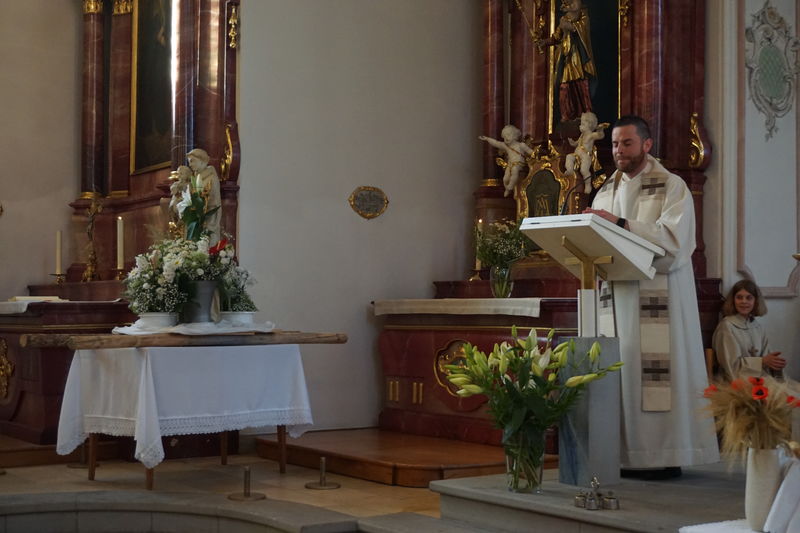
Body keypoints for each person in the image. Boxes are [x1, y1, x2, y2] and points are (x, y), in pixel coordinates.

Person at [583, 115, 720, 475]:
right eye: (615, 144)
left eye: (627, 143)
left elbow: (675, 244)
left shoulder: (671, 186)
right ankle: (622, 455)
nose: (619, 150)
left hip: (658, 299)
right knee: (621, 372)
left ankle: (662, 456)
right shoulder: (605, 192)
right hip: (616, 299)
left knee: (656, 378)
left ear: (646, 144)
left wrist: (621, 224)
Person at [712, 279, 786, 381]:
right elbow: (731, 366)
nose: (744, 301)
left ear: (756, 301)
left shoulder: (757, 327)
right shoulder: (727, 326)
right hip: (735, 383)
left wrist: (776, 364)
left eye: (749, 298)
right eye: (739, 297)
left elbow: (768, 359)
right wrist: (761, 362)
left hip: (760, 379)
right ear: (733, 300)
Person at [538, 0, 596, 122]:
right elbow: (556, 37)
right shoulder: (564, 19)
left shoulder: (583, 16)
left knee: (581, 85)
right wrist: (544, 42)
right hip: (566, 58)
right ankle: (567, 115)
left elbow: (579, 28)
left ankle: (586, 114)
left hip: (579, 58)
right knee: (564, 87)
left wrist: (568, 26)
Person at [479, 125, 533, 197]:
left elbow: (530, 152)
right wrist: (487, 139)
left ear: (514, 135)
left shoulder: (521, 145)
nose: (506, 138)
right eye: (504, 137)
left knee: (514, 170)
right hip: (510, 164)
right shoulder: (506, 146)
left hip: (519, 163)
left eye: (508, 135)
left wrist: (534, 154)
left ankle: (510, 187)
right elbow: (496, 143)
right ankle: (507, 189)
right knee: (505, 179)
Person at [186, 148, 222, 246]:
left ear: (202, 161)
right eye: (189, 162)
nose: (190, 165)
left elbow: (212, 199)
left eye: (192, 161)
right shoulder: (194, 178)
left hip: (210, 214)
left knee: (208, 241)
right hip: (197, 217)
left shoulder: (210, 176)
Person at [564, 111, 607, 192]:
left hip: (586, 157)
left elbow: (600, 135)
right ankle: (570, 170)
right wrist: (572, 142)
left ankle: (588, 185)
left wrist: (600, 129)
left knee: (584, 170)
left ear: (590, 125)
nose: (580, 126)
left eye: (583, 124)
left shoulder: (591, 135)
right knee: (569, 157)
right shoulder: (582, 135)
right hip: (577, 155)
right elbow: (576, 143)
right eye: (581, 124)